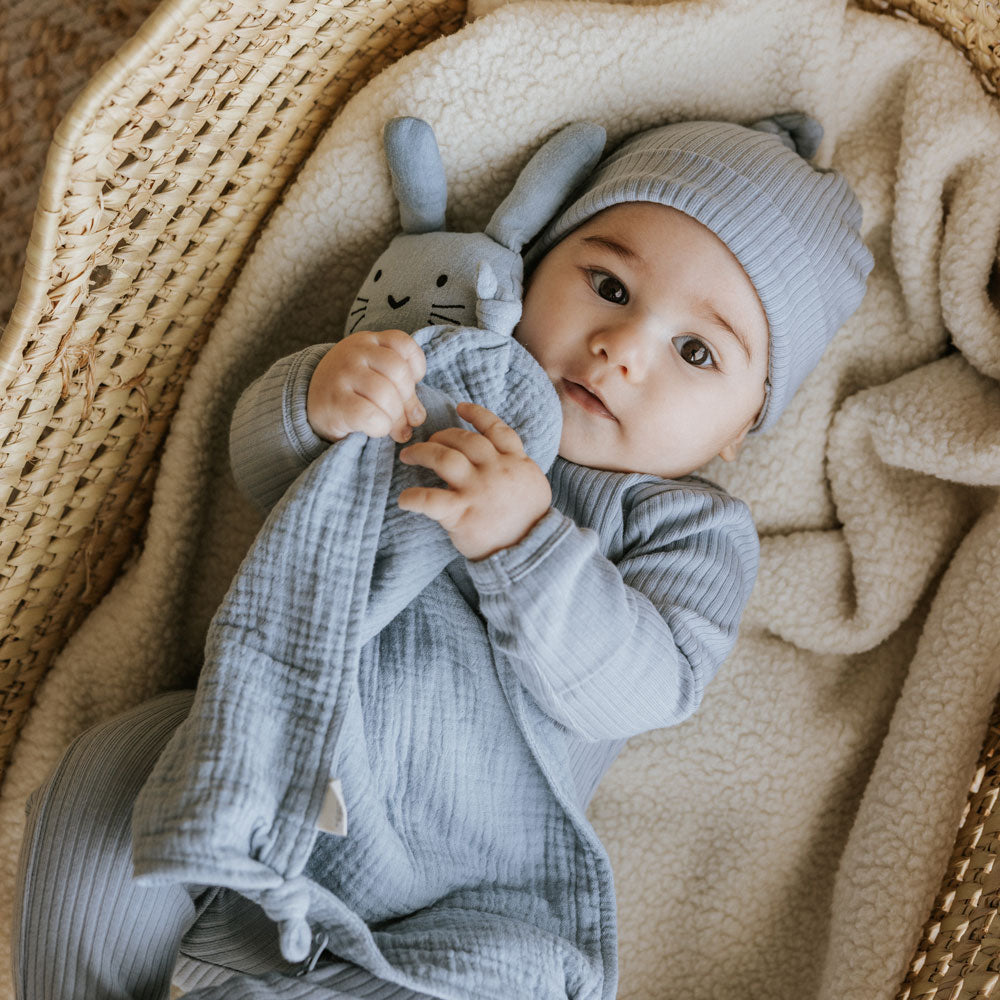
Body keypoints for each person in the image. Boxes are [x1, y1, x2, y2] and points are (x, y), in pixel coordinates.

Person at [13, 116, 873, 1000]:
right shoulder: (451, 380)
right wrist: (319, 399)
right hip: (266, 741)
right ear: (536, 266)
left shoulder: (686, 527)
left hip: (468, 881)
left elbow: (647, 686)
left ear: (740, 432)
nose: (622, 349)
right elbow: (274, 483)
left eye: (696, 351)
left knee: (491, 983)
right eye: (608, 285)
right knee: (102, 789)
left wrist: (525, 544)